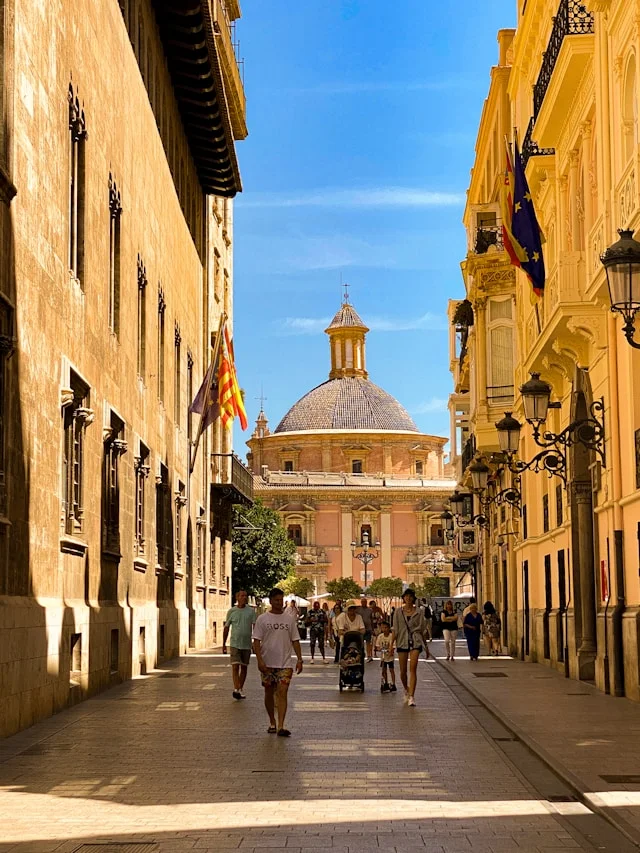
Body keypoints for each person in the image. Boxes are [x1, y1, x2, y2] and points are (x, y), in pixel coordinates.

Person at [252, 588, 303, 737]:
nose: (279, 603)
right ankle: (272, 721)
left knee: (282, 692)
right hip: (267, 663)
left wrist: (299, 659)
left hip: (285, 663)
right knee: (268, 692)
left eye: (281, 600)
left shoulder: (289, 619)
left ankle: (281, 725)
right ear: (271, 601)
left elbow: (295, 640)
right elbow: (256, 641)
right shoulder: (263, 619)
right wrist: (259, 660)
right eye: (276, 600)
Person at [391, 588, 430, 707]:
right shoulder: (398, 612)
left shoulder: (419, 612)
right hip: (402, 641)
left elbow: (422, 629)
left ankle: (412, 696)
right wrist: (391, 645)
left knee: (413, 668)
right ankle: (406, 689)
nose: (408, 598)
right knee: (403, 671)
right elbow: (395, 629)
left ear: (413, 598)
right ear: (403, 598)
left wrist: (426, 646)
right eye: (406, 596)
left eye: (410, 596)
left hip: (415, 641)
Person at [222, 589, 255, 700]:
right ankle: (236, 689)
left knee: (244, 667)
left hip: (246, 644)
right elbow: (226, 627)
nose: (244, 598)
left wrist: (255, 642)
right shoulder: (232, 611)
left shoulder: (251, 611)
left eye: (245, 596)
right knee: (235, 666)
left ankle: (240, 688)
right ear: (237, 597)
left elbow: (255, 627)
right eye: (242, 595)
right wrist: (223, 644)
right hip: (235, 643)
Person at [375, 620, 397, 693]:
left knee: (391, 670)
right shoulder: (380, 636)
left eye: (386, 628)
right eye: (383, 628)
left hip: (390, 656)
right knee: (383, 670)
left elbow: (394, 646)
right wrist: (379, 649)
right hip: (383, 656)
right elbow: (377, 646)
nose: (384, 629)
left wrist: (391, 650)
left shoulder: (391, 636)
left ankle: (393, 684)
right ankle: (386, 682)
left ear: (388, 628)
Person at [356, 597, 374, 661]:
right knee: (361, 642)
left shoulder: (370, 610)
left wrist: (372, 629)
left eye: (365, 602)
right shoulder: (358, 609)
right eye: (362, 602)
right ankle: (361, 654)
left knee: (368, 642)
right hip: (361, 628)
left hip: (368, 628)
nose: (364, 603)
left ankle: (369, 655)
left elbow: (371, 619)